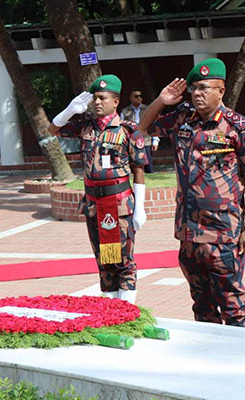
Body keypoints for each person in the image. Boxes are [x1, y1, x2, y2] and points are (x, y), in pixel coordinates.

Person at [138, 58, 245, 327]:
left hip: (223, 230)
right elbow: (143, 127)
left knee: (232, 301)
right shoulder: (181, 119)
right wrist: (161, 100)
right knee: (201, 302)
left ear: (221, 90)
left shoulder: (239, 126)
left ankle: (240, 356)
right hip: (188, 230)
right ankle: (209, 356)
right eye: (194, 88)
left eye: (204, 88)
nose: (197, 94)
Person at [49, 74, 148, 304]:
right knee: (104, 261)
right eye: (94, 98)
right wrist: (70, 110)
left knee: (123, 261)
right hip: (94, 205)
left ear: (115, 101)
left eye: (102, 98)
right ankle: (110, 311)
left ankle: (126, 312)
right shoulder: (86, 127)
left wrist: (140, 207)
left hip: (119, 204)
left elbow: (139, 169)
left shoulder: (127, 130)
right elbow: (53, 129)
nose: (97, 102)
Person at [120, 88, 157, 173]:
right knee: (133, 167)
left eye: (140, 96)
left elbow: (153, 125)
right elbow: (121, 127)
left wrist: (155, 140)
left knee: (148, 168)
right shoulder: (125, 111)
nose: (139, 98)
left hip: (146, 140)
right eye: (136, 96)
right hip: (131, 142)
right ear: (131, 98)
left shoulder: (148, 109)